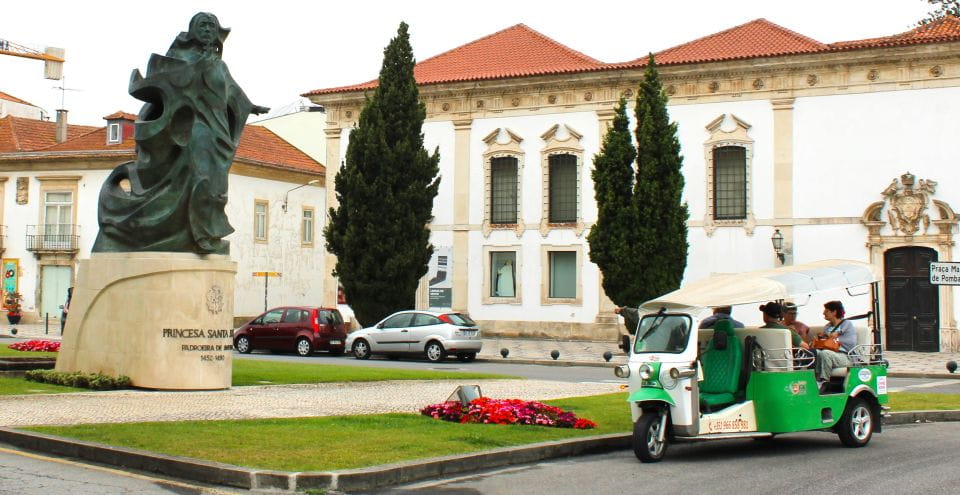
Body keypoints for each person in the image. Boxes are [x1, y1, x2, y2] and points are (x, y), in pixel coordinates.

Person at [94, 12, 269, 255]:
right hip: (190, 128)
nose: (208, 30)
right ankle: (199, 235)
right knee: (201, 179)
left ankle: (205, 231)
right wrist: (198, 66)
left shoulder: (220, 66)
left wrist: (251, 106)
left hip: (217, 129)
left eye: (212, 26)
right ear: (193, 30)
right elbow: (167, 83)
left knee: (216, 186)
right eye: (203, 25)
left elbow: (234, 94)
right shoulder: (180, 58)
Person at [814, 301, 856, 389]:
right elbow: (828, 341)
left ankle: (823, 381)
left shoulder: (846, 324)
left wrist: (830, 336)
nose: (823, 313)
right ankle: (815, 379)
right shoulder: (827, 327)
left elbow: (847, 341)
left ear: (834, 312)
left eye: (826, 311)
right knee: (816, 353)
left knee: (825, 353)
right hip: (832, 353)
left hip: (846, 356)